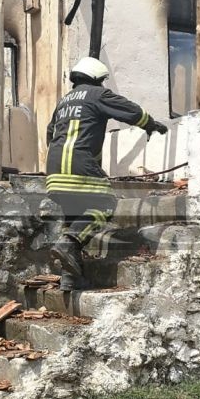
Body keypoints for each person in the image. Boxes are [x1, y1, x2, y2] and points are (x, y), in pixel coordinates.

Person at [45, 57, 167, 290]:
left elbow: (51, 132)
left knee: (75, 218)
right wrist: (151, 124)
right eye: (101, 80)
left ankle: (70, 279)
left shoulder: (63, 102)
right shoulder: (97, 94)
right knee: (105, 204)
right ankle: (68, 243)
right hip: (77, 164)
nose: (102, 84)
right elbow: (129, 110)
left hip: (54, 170)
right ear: (95, 78)